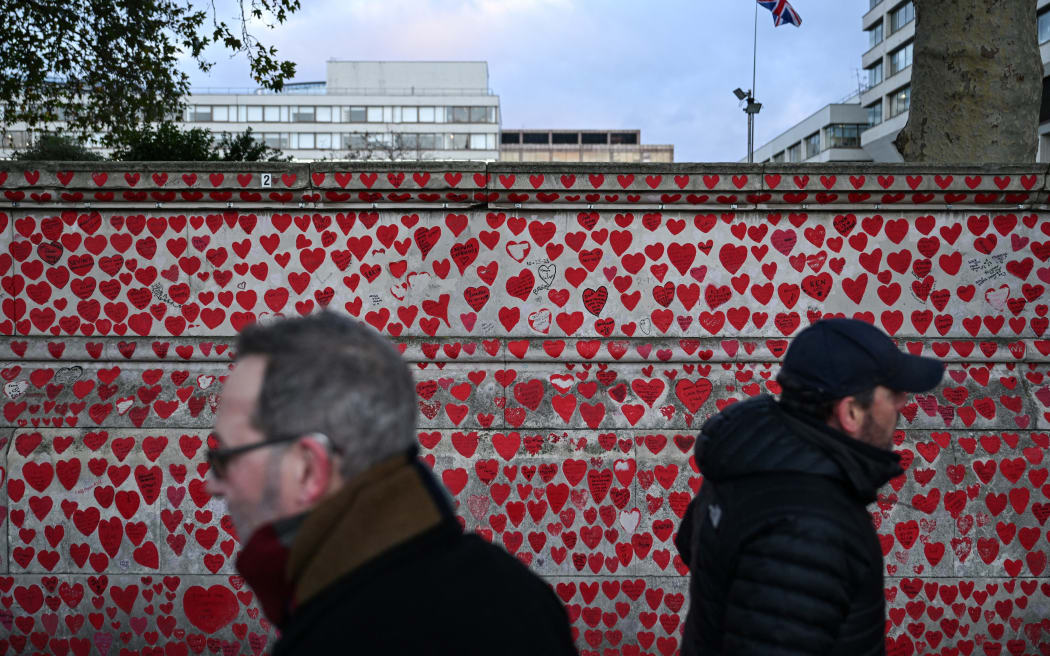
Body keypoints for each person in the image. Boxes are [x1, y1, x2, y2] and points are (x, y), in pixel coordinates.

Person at [207, 311, 578, 655]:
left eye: (224, 458)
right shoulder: (520, 596)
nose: (213, 484)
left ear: (308, 470)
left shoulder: (333, 639)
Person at [675, 317, 944, 656]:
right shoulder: (814, 526)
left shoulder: (751, 456)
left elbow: (693, 545)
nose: (903, 401)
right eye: (892, 393)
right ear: (851, 413)